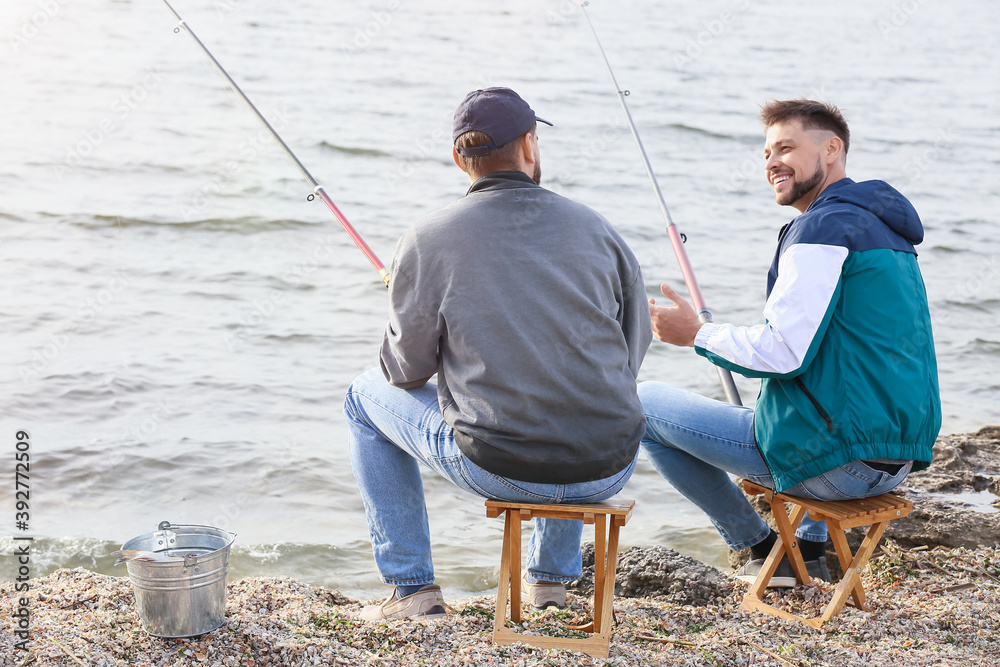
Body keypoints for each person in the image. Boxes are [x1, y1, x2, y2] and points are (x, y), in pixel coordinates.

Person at [344, 87, 651, 619]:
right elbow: (631, 353)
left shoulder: (429, 236)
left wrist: (407, 298)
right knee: (571, 386)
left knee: (360, 398)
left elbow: (403, 371)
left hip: (501, 468)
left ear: (459, 159)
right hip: (609, 466)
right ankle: (550, 585)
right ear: (530, 145)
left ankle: (412, 592)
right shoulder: (598, 228)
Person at [638, 99, 941, 586]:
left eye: (786, 147)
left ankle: (761, 548)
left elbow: (783, 352)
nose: (771, 162)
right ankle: (810, 547)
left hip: (841, 466)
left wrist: (696, 334)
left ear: (831, 149)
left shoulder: (821, 228)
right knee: (815, 397)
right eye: (764, 153)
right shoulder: (884, 229)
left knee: (643, 406)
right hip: (896, 458)